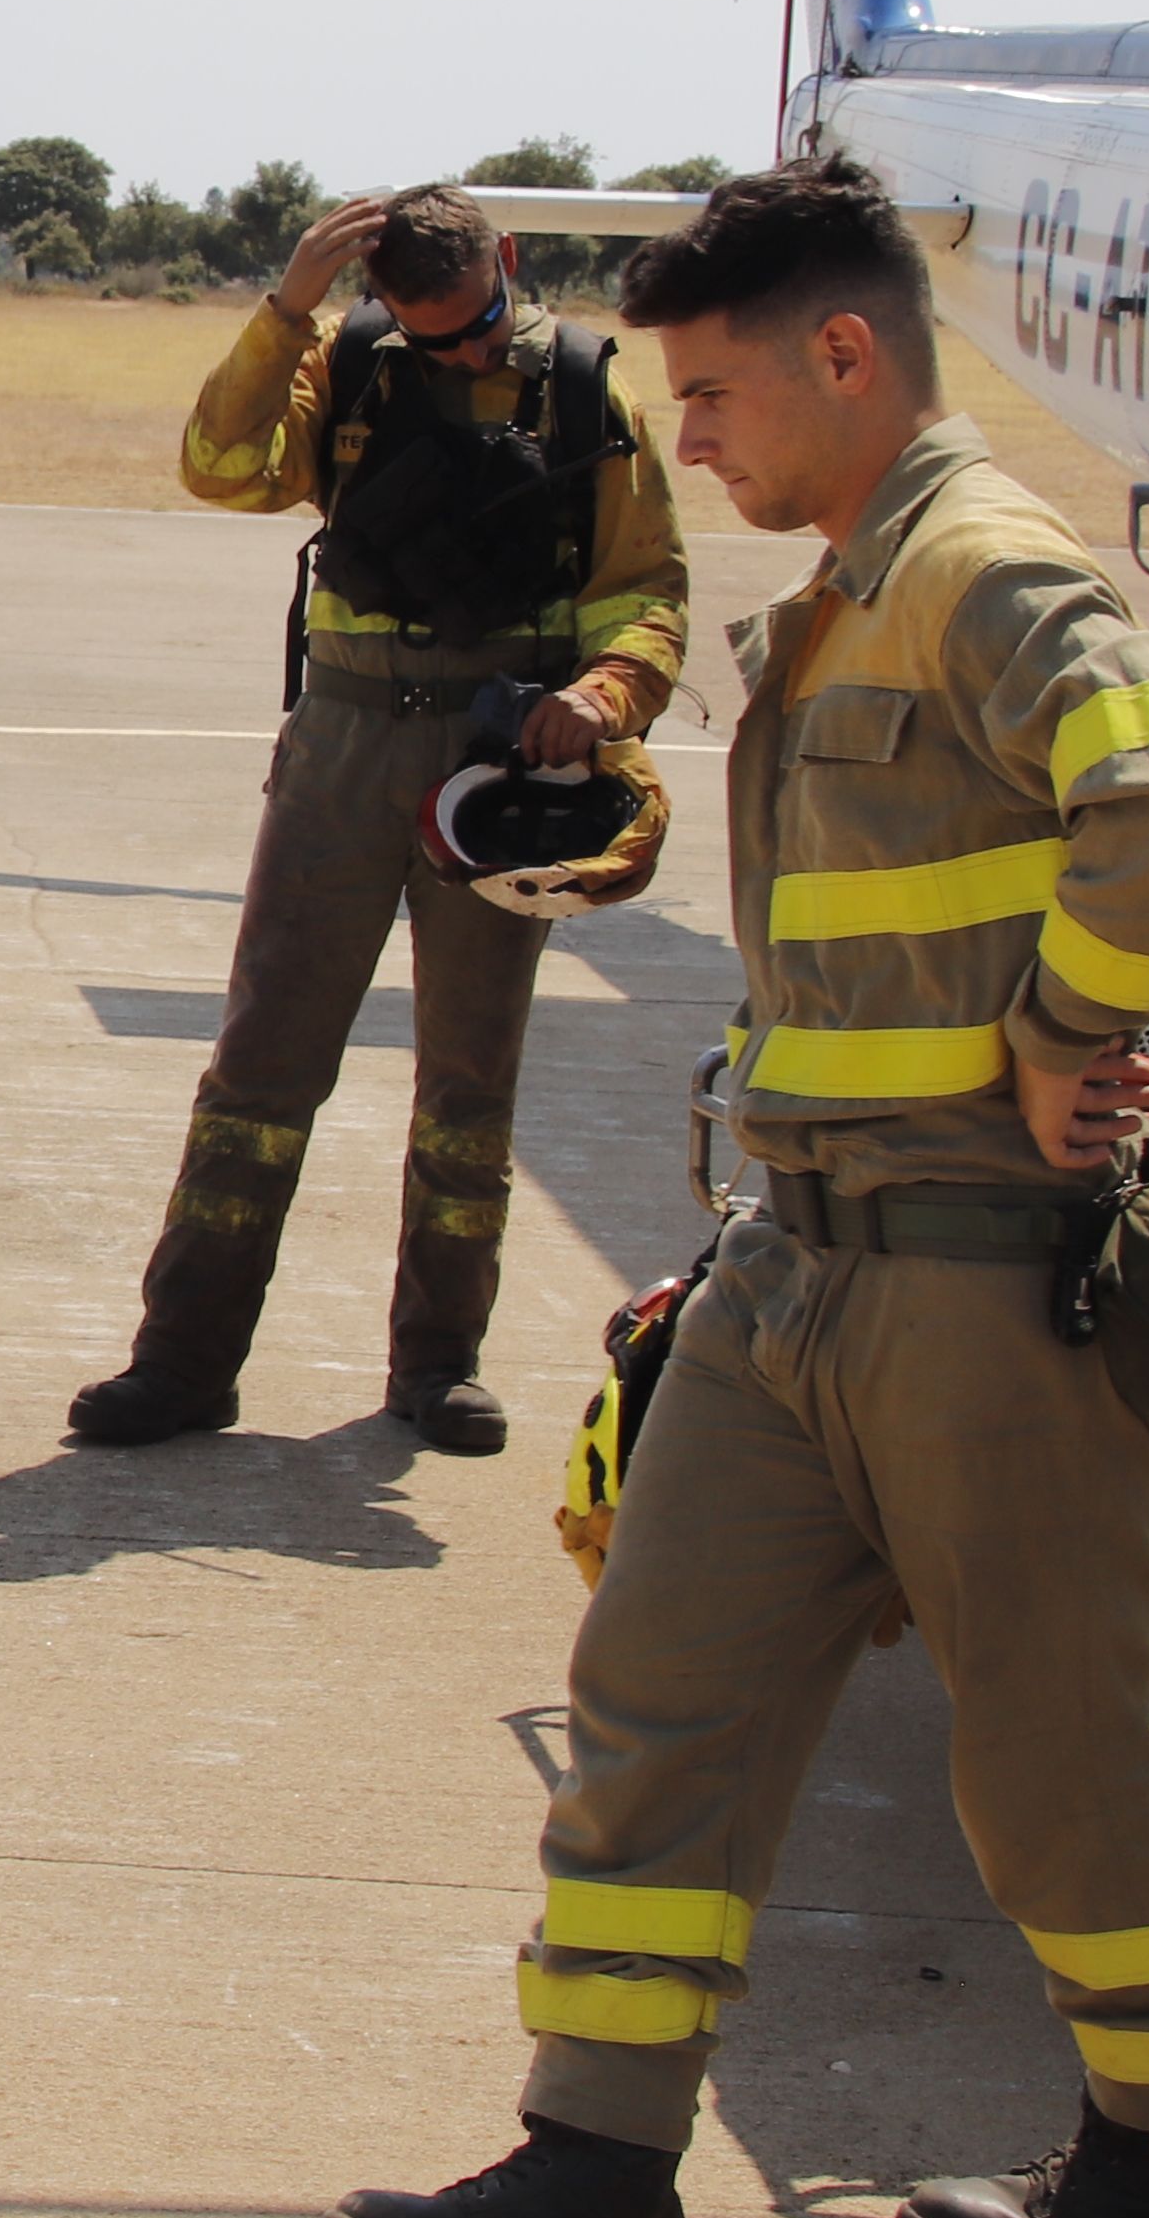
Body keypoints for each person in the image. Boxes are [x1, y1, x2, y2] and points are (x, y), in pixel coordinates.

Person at [314, 158, 1149, 2218]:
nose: (686, 435)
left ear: (844, 354)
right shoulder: (859, 588)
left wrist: (1066, 1029)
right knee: (659, 1686)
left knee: (1054, 1745)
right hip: (797, 1257)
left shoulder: (977, 562)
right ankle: (592, 2172)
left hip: (981, 1273)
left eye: (712, 389)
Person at [68, 182, 688, 1455]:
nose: (455, 352)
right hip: (344, 747)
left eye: (472, 327)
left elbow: (649, 587)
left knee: (470, 1079)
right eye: (426, 333)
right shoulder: (346, 365)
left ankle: (439, 1362)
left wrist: (600, 691)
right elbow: (219, 465)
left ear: (510, 262)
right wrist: (288, 310)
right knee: (259, 1068)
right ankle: (183, 1361)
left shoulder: (584, 391)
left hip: (497, 762)